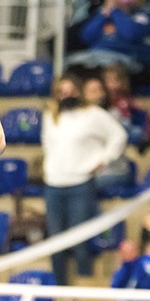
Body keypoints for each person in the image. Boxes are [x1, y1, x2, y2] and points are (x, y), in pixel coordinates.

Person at [42, 75, 127, 286]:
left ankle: (85, 285)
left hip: (80, 182)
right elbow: (48, 146)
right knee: (55, 242)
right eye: (62, 91)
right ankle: (59, 289)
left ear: (78, 91)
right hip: (53, 183)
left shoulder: (93, 114)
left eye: (71, 90)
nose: (67, 95)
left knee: (80, 239)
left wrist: (105, 159)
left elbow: (119, 135)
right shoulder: (51, 116)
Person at [71, 0, 150, 75]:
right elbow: (86, 36)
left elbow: (131, 34)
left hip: (126, 58)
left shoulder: (145, 14)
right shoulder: (104, 12)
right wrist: (104, 13)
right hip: (96, 55)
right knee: (71, 64)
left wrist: (115, 11)